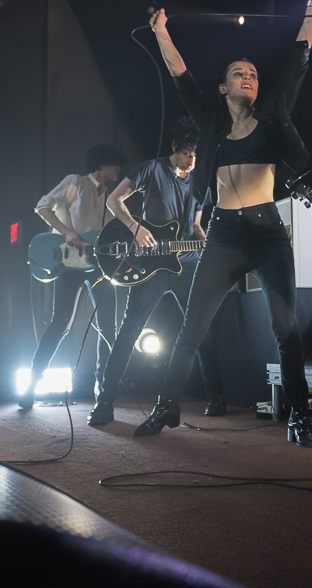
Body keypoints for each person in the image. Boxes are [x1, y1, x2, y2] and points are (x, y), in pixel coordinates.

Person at [135, 0, 312, 447]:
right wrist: (161, 32)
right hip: (222, 235)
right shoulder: (211, 120)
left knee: (285, 328)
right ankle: (166, 404)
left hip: (267, 234)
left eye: (253, 74)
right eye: (238, 73)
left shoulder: (273, 114)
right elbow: (180, 76)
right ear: (222, 87)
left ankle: (299, 416)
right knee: (191, 329)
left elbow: (298, 59)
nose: (248, 77)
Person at [87, 117, 224, 426]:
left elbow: (196, 226)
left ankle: (217, 397)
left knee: (202, 329)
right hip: (152, 265)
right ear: (174, 146)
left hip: (187, 263)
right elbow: (113, 200)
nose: (191, 162)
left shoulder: (200, 179)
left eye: (195, 155)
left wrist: (207, 243)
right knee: (129, 331)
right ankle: (104, 402)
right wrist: (135, 228)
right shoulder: (150, 168)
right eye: (186, 154)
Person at [20, 144, 128, 410]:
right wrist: (66, 231)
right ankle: (31, 386)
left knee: (108, 326)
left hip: (98, 264)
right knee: (61, 323)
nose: (119, 169)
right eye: (115, 164)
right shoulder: (76, 183)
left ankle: (103, 389)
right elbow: (42, 207)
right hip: (69, 262)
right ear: (102, 163)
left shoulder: (109, 196)